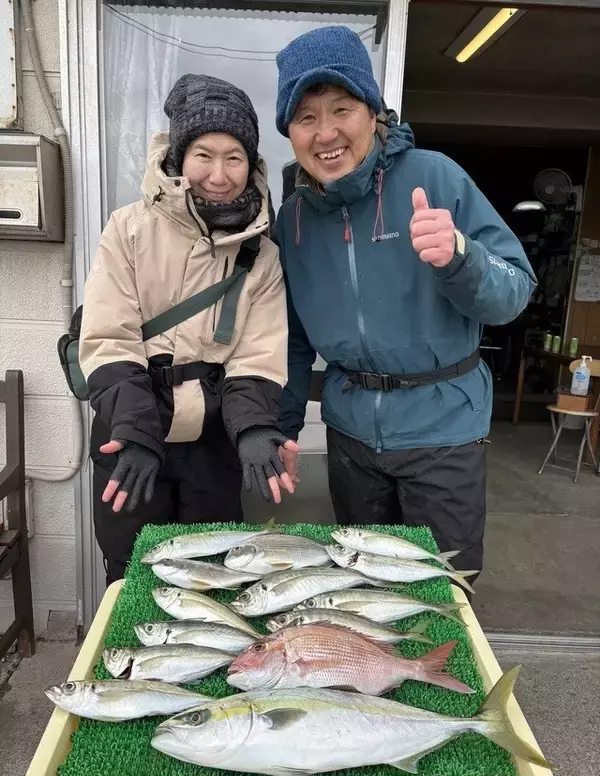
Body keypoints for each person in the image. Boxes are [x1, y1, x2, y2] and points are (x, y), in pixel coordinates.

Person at [274, 27, 537, 575]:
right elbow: (293, 339)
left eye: (342, 109)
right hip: (350, 438)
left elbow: (514, 293)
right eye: (305, 117)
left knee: (445, 584)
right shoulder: (293, 220)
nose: (326, 133)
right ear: (290, 132)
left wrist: (462, 257)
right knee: (363, 588)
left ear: (372, 111)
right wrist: (284, 426)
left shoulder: (434, 176)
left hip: (444, 433)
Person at [80, 74, 297, 583]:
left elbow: (257, 355)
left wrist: (254, 428)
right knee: (133, 571)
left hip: (214, 439)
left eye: (234, 157)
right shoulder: (128, 228)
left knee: (210, 574)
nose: (219, 175)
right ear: (180, 157)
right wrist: (135, 429)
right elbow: (109, 337)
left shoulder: (262, 254)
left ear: (251, 163)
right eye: (204, 155)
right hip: (133, 430)